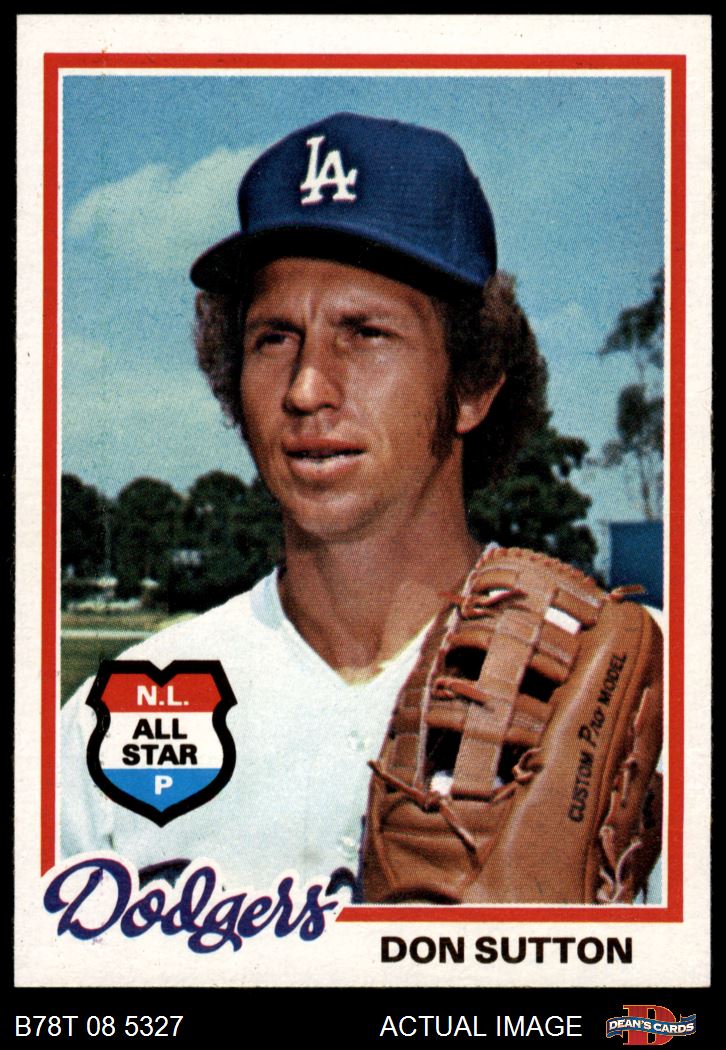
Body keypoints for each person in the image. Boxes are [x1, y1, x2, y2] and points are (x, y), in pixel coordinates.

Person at [60, 112, 560, 898]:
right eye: (274, 338)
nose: (306, 388)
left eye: (365, 333)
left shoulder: (637, 690)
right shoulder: (120, 716)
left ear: (472, 382)